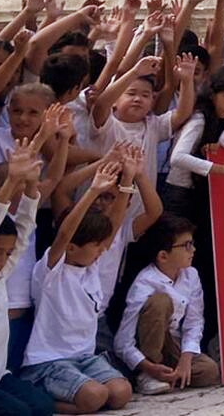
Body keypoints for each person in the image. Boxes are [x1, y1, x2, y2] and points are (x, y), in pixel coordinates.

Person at [20, 158, 133, 414]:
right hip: (49, 362)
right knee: (95, 397)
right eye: (95, 245)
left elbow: (112, 227)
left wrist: (127, 181)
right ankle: (38, 398)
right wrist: (93, 190)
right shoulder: (52, 269)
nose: (101, 250)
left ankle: (82, 397)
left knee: (121, 392)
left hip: (84, 359)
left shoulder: (90, 265)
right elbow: (64, 234)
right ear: (72, 248)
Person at [0, 136, 51, 416]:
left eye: (6, 254)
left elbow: (25, 227)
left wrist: (30, 183)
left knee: (42, 407)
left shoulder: (0, 275)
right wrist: (10, 184)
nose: (2, 260)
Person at [113, 215, 220, 395]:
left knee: (209, 371)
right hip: (146, 348)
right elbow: (123, 342)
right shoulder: (145, 283)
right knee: (160, 301)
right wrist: (148, 366)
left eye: (192, 243)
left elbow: (194, 321)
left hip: (172, 343)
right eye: (186, 245)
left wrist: (185, 360)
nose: (193, 249)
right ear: (163, 255)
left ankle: (171, 375)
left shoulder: (191, 275)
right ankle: (147, 374)